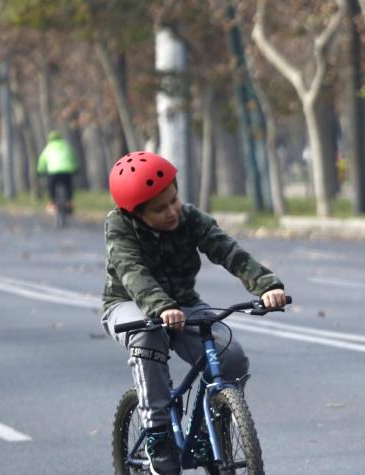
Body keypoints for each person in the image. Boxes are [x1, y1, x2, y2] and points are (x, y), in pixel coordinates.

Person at [102, 151, 287, 475]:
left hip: (183, 303)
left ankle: (208, 432)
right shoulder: (119, 227)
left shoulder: (190, 218)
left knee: (231, 357)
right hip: (128, 305)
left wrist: (266, 285)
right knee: (149, 336)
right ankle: (158, 435)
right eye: (160, 209)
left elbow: (229, 251)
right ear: (134, 212)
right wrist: (161, 307)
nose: (172, 211)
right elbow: (133, 273)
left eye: (174, 200)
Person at [37, 131, 79, 213]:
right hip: (67, 171)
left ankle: (52, 203)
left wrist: (40, 171)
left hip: (53, 171)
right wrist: (75, 168)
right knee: (69, 186)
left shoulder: (49, 147)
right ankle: (69, 202)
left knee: (51, 186)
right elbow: (73, 157)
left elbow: (42, 160)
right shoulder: (67, 146)